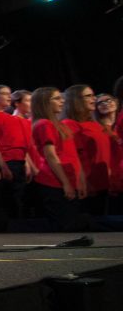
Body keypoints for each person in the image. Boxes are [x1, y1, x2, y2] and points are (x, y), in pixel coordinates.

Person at [31, 87, 87, 231]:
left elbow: (73, 154)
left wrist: (80, 180)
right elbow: (51, 155)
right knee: (65, 226)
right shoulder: (44, 124)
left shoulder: (60, 124)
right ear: (44, 103)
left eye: (61, 98)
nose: (62, 101)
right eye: (56, 98)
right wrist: (66, 183)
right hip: (54, 181)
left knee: (73, 223)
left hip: (68, 179)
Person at [0, 85, 37, 219]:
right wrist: (3, 167)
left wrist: (26, 163)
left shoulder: (11, 118)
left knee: (20, 199)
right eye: (5, 94)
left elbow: (20, 145)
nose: (9, 96)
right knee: (10, 201)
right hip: (7, 162)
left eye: (9, 94)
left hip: (18, 162)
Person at [61, 84, 111, 215]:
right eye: (88, 96)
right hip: (88, 182)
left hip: (102, 180)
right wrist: (85, 182)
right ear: (75, 100)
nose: (94, 99)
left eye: (93, 95)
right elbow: (75, 156)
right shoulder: (70, 124)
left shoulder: (95, 124)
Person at [94, 94, 122, 213]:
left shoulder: (120, 124)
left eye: (109, 100)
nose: (106, 103)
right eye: (101, 102)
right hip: (109, 171)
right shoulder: (97, 128)